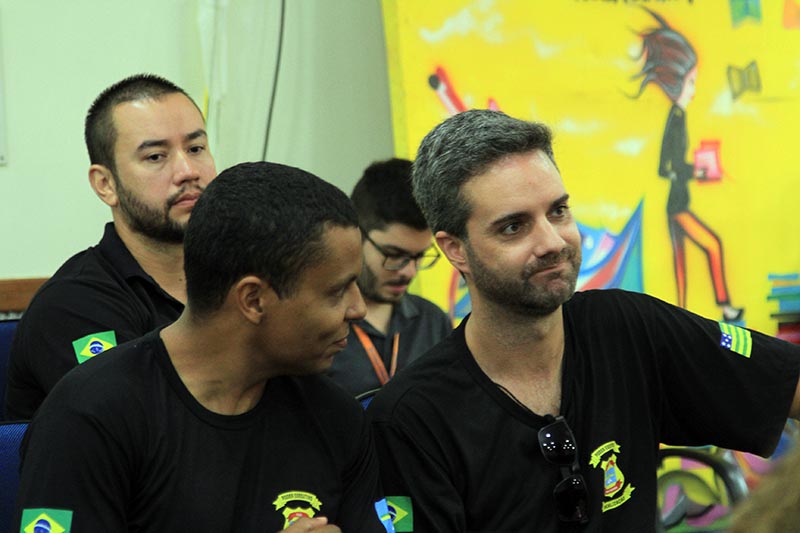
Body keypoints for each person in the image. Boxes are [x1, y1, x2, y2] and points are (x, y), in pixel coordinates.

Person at [366, 109, 800, 532]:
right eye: (514, 227)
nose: (553, 241)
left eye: (558, 211)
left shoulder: (628, 328)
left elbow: (783, 382)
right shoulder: (412, 419)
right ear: (455, 249)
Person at [13, 162, 395, 533]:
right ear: (253, 300)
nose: (358, 309)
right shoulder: (91, 415)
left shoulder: (336, 417)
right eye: (336, 292)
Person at [5, 73, 217, 420]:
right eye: (156, 156)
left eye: (196, 149)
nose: (187, 171)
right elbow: (148, 430)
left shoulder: (240, 275)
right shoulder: (72, 303)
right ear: (105, 184)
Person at [633, 8, 743, 322]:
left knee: (679, 265)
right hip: (677, 205)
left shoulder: (679, 118)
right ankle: (725, 307)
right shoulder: (675, 119)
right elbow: (664, 167)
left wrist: (693, 170)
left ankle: (679, 318)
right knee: (712, 245)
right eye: (691, 82)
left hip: (679, 201)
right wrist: (696, 171)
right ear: (677, 83)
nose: (694, 90)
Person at [327, 158, 451, 397]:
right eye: (394, 255)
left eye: (419, 256)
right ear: (355, 235)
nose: (409, 272)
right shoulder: (318, 325)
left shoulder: (433, 322)